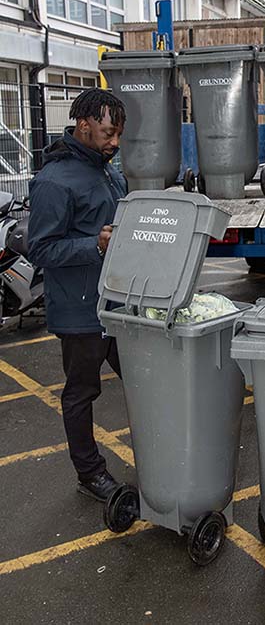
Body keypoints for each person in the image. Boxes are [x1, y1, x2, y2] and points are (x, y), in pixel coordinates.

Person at [28, 88, 127, 502]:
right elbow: (40, 249)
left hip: (119, 304)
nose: (115, 142)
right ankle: (90, 473)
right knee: (82, 392)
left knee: (145, 380)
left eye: (119, 134)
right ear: (83, 126)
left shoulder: (105, 168)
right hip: (81, 311)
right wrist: (95, 245)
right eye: (108, 132)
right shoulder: (54, 180)